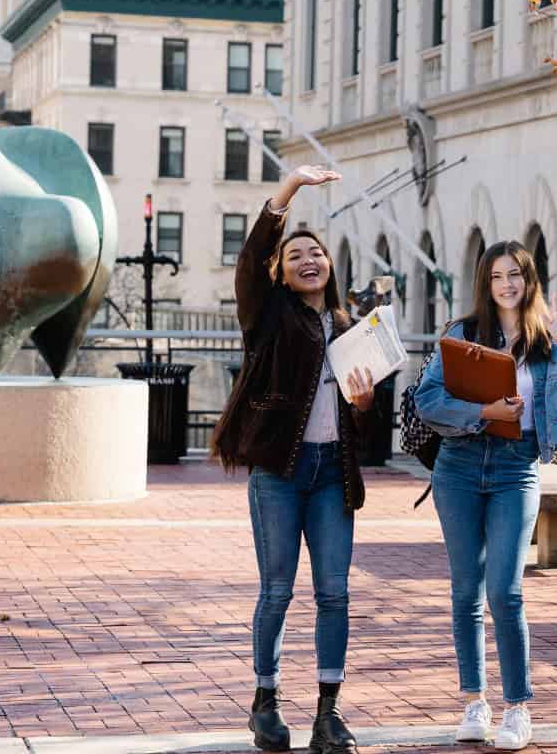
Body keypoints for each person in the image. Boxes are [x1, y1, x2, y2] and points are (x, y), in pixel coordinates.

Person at [407, 242, 557, 750]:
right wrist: (485, 412)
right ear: (486, 282)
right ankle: (474, 702)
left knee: (506, 590)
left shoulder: (549, 339)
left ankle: (518, 708)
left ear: (529, 280)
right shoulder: (462, 334)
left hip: (515, 468)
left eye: (516, 274)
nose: (507, 283)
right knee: (465, 591)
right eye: (498, 275)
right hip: (458, 467)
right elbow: (427, 399)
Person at [209, 165, 378, 754]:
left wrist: (362, 406)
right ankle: (266, 702)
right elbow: (251, 259)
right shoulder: (269, 315)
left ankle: (328, 714)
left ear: (331, 268)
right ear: (280, 272)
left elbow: (366, 423)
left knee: (334, 593)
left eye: (317, 253)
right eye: (296, 254)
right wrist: (290, 190)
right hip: (279, 472)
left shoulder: (350, 327)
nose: (309, 260)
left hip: (333, 474)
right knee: (277, 590)